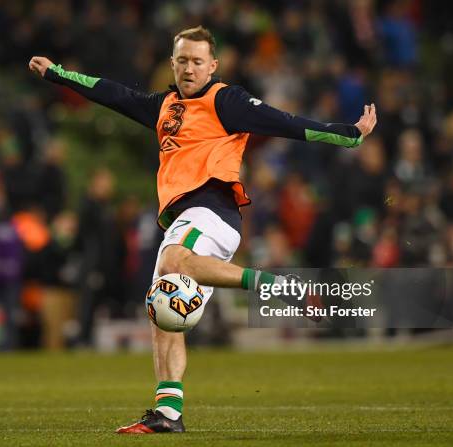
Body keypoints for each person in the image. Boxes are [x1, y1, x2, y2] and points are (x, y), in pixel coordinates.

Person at [29, 25, 377, 434]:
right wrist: (58, 74)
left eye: (197, 61)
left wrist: (348, 135)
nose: (189, 68)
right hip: (181, 219)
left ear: (213, 65)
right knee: (164, 309)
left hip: (212, 210)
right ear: (172, 64)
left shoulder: (225, 99)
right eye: (182, 61)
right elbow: (113, 93)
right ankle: (167, 412)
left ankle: (279, 286)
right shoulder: (163, 106)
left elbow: (283, 121)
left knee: (175, 262)